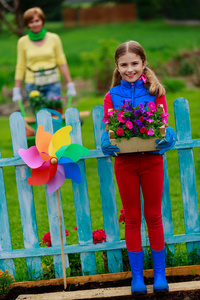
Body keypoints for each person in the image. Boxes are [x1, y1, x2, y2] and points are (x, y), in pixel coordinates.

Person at [101, 41, 177, 295]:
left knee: (154, 216)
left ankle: (159, 276)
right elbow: (109, 126)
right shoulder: (111, 96)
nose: (130, 69)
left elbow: (163, 121)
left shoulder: (156, 92)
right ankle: (136, 279)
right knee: (132, 218)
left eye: (135, 63)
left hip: (152, 161)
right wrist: (106, 139)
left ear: (144, 63)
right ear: (117, 66)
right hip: (124, 164)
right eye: (124, 64)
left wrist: (169, 134)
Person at [12, 7, 76, 105]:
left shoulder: (54, 38)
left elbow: (61, 62)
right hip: (32, 84)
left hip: (52, 82)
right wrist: (16, 88)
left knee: (54, 113)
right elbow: (21, 66)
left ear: (42, 21)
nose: (35, 24)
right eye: (31, 22)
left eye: (37, 20)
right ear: (27, 24)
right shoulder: (22, 42)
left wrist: (70, 83)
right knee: (39, 115)